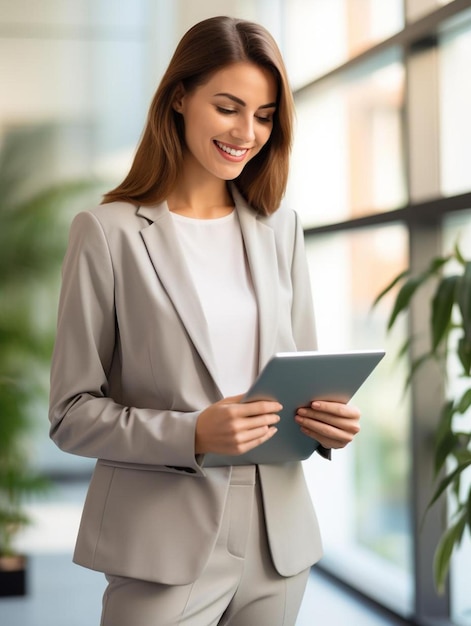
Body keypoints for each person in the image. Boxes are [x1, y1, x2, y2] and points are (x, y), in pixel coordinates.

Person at [49, 15, 361, 626]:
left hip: (278, 544)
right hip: (162, 543)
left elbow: (303, 374)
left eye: (265, 115)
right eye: (228, 107)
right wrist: (194, 433)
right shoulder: (107, 233)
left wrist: (328, 423)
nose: (247, 133)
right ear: (178, 98)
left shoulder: (281, 230)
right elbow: (71, 415)